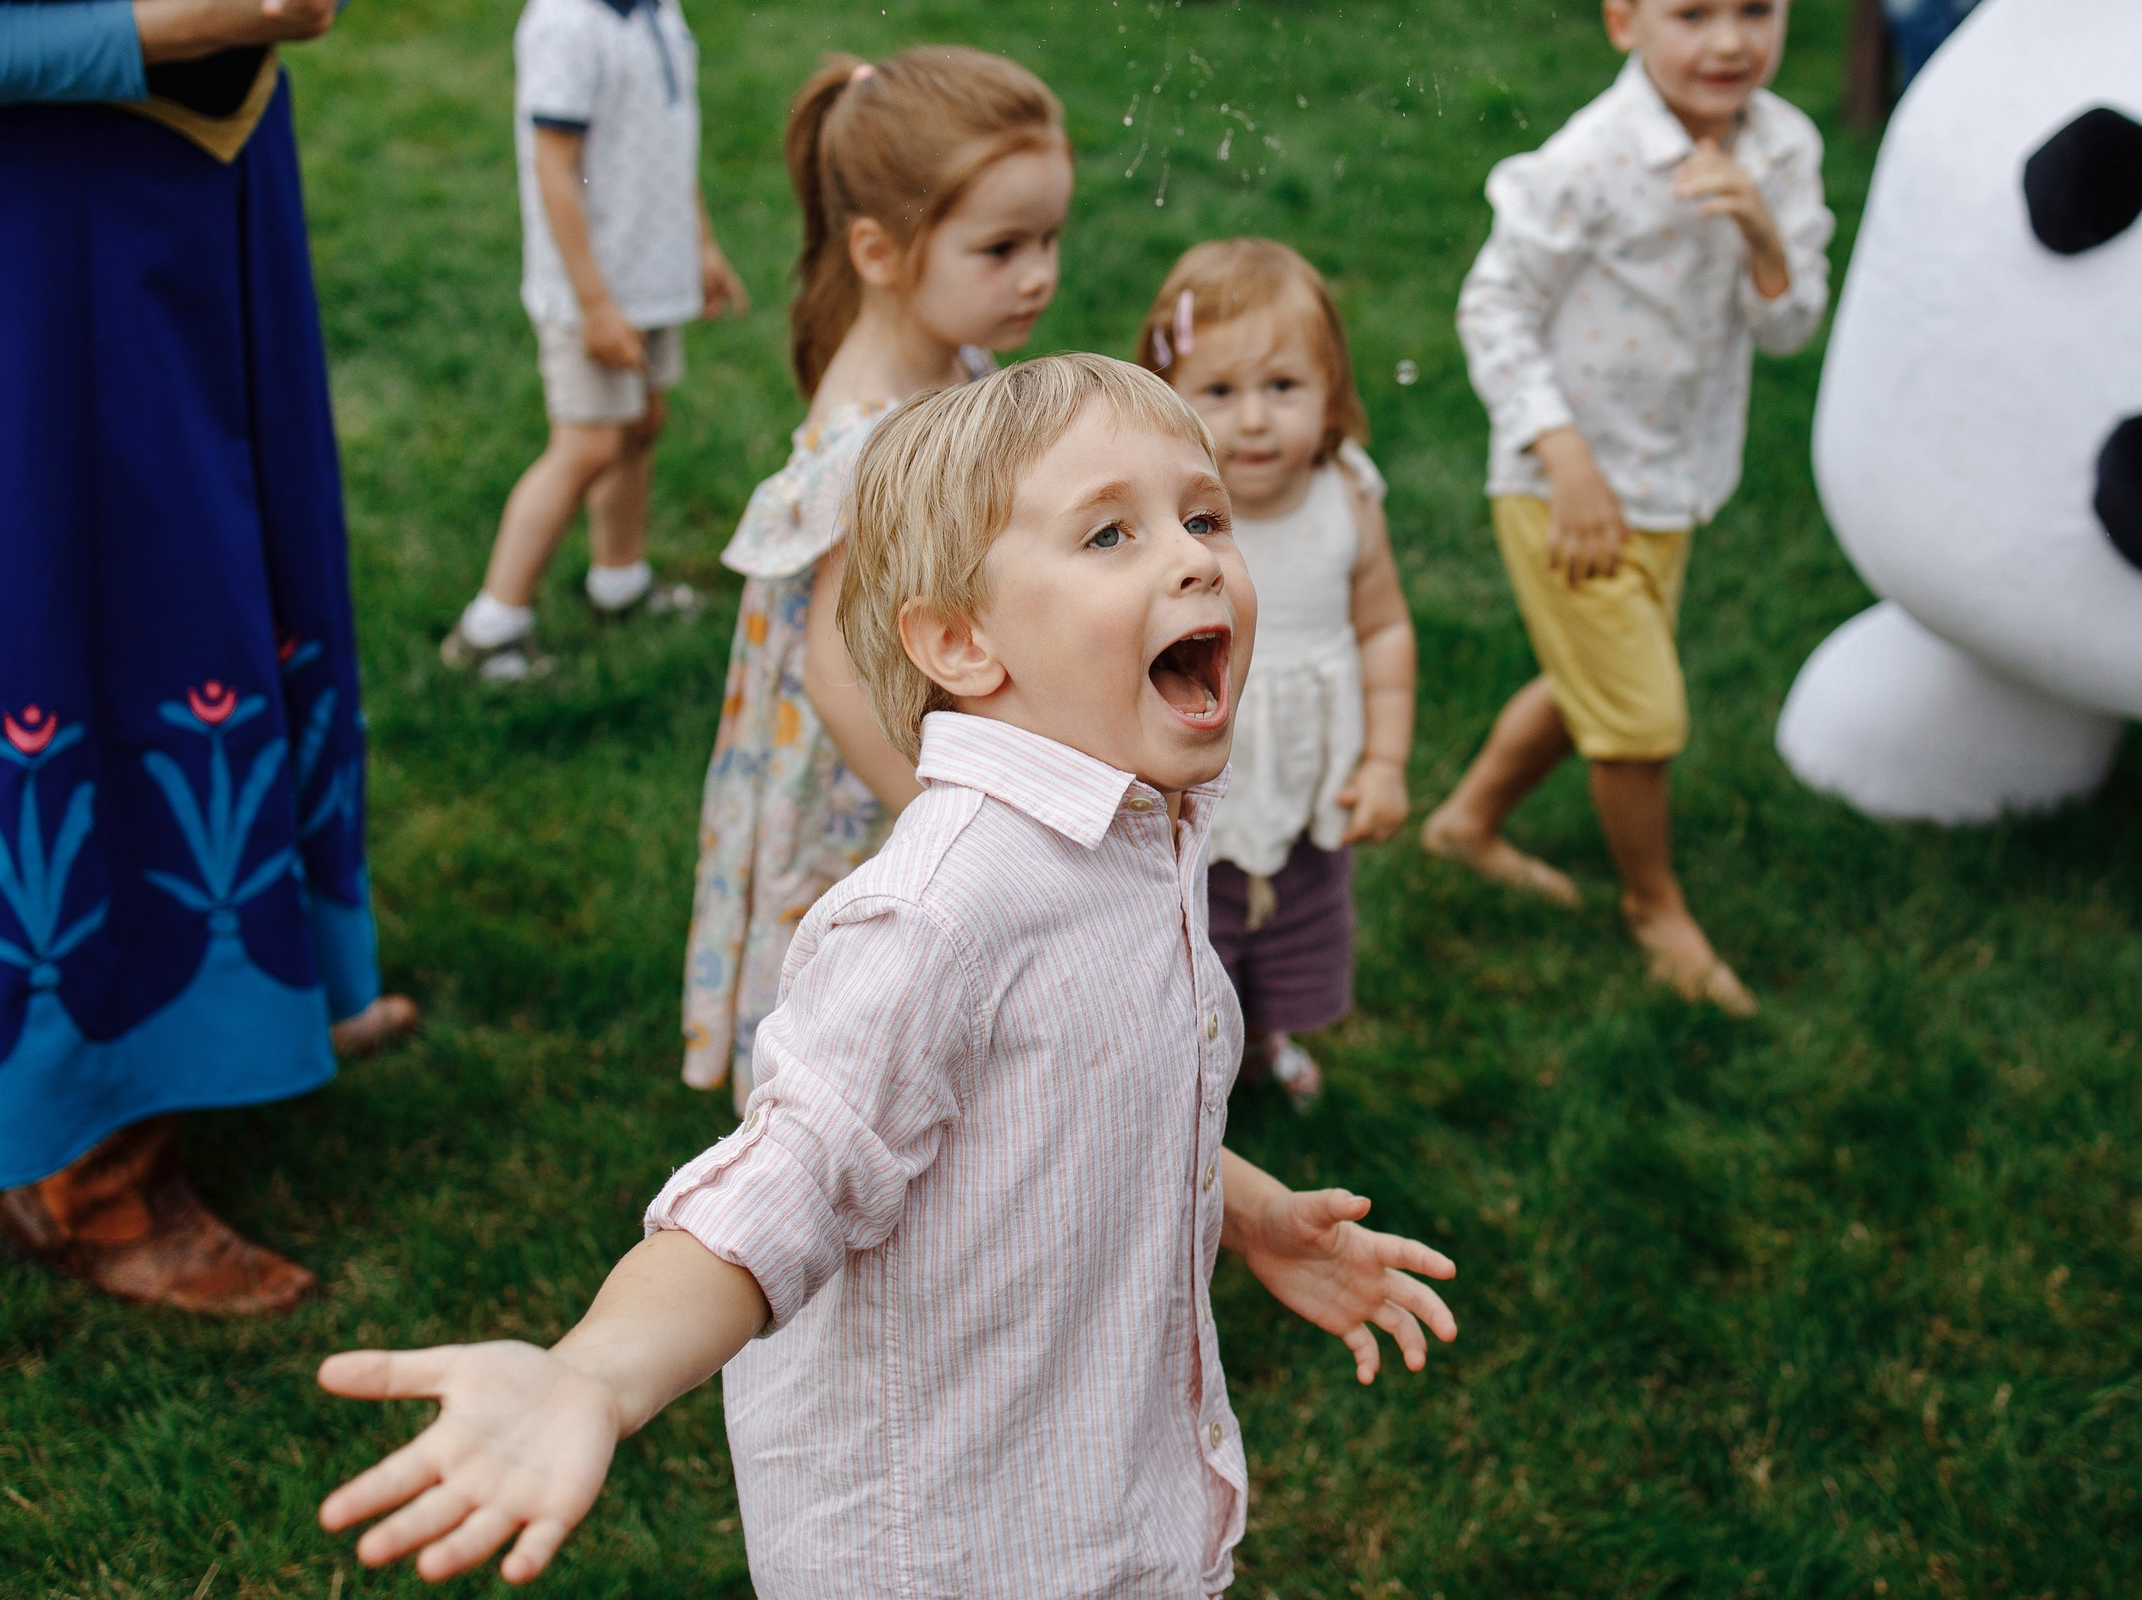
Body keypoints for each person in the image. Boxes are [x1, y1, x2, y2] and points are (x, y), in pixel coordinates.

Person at [315, 353, 1458, 1594]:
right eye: (1111, 533)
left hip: (1104, 1501)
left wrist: (1243, 1211)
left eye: (1202, 517)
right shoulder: (937, 915)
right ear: (961, 641)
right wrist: (591, 1374)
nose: (1192, 558)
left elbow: (1087, 1082)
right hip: (951, 1543)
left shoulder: (1143, 830)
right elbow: (778, 1189)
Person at [0, 0, 417, 1315]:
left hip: (196, 178)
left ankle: (262, 977)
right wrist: (161, 29)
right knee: (84, 616)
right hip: (34, 208)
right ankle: (81, 1157)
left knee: (222, 580)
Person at [1424, 0, 1831, 1016]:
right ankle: (1655, 907)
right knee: (1641, 715)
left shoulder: (1783, 147)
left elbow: (1788, 330)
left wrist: (1760, 232)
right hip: (1570, 492)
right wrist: (1563, 454)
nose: (1730, 41)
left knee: (1591, 682)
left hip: (1675, 480)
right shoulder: (1590, 159)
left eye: (1756, 10)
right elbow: (1493, 305)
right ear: (1624, 22)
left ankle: (1466, 824)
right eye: (1692, 13)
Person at [679, 46, 1069, 1108]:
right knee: (867, 1034)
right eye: (1002, 247)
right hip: (866, 788)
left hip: (924, 727)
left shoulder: (949, 357)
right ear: (881, 251)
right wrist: (940, 814)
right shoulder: (871, 446)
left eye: (1049, 238)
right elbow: (841, 673)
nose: (1039, 274)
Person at [1137, 239, 1415, 1109]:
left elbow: (1384, 627)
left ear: (1331, 387)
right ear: (1166, 400)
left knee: (1296, 913)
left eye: (1283, 388)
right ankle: (1182, 1070)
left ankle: (1268, 1038)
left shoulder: (1347, 496)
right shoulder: (1162, 518)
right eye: (1219, 392)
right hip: (1191, 782)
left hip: (1304, 778)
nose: (1253, 420)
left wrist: (1384, 763)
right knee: (1188, 930)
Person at [437, 0, 748, 681]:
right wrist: (596, 304)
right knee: (587, 444)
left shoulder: (660, 13)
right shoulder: (568, 23)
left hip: (647, 273)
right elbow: (554, 167)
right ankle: (491, 624)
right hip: (593, 288)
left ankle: (620, 580)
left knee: (641, 422)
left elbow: (672, 142)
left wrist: (700, 244)